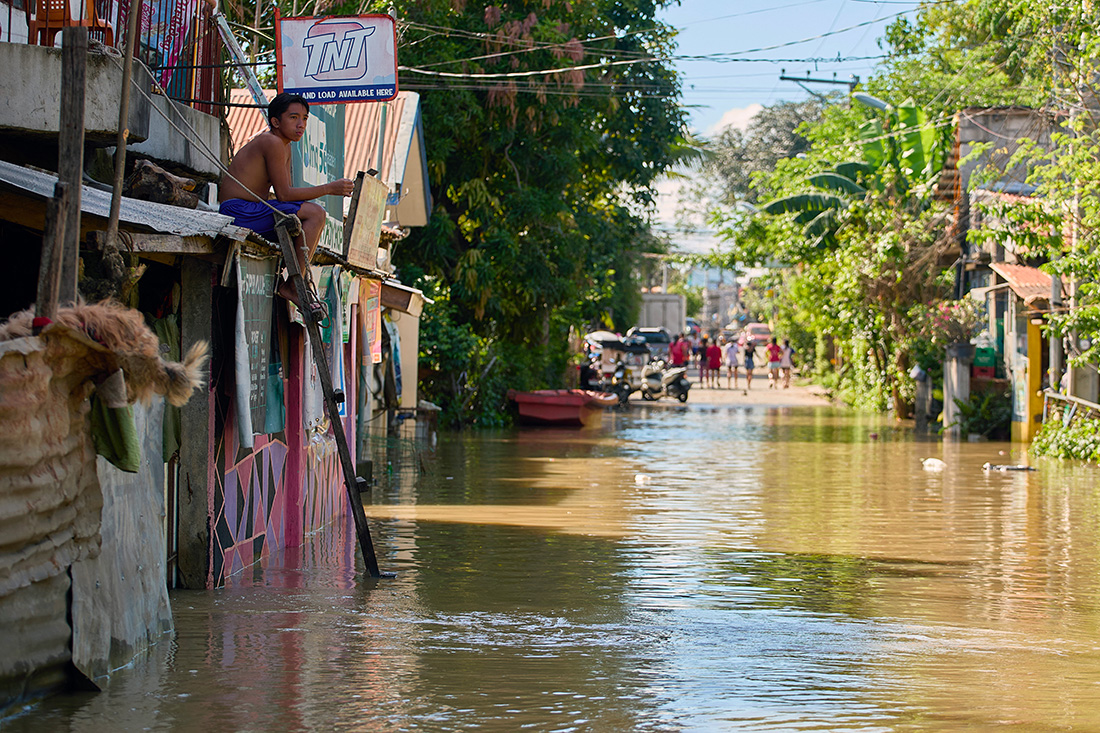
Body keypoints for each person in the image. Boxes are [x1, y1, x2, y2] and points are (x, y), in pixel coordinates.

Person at [218, 92, 354, 313]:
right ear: (275, 121)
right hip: (238, 211)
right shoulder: (270, 141)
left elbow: (288, 196)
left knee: (307, 220)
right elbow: (285, 195)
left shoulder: (286, 145)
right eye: (293, 117)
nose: (301, 124)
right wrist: (330, 188)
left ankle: (295, 279)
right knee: (316, 214)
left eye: (305, 118)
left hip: (255, 210)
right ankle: (292, 284)